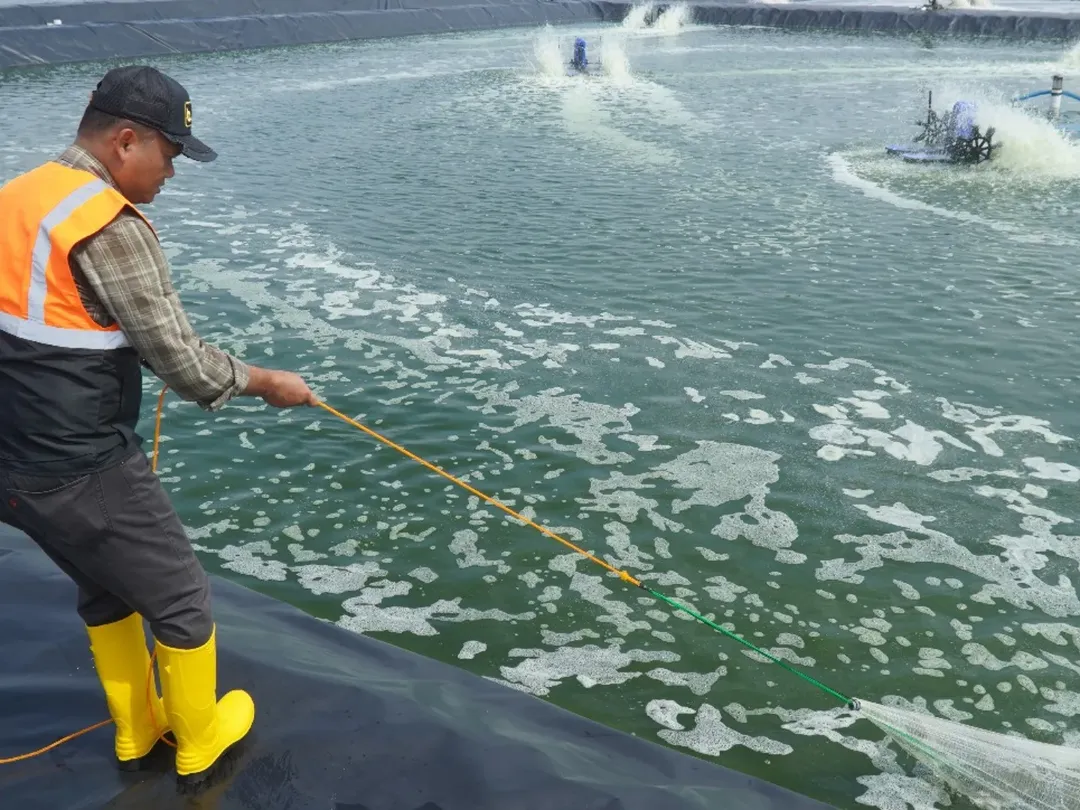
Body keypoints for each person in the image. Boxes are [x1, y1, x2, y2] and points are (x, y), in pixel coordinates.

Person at [0, 65, 317, 786]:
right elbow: (189, 367)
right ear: (125, 140)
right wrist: (270, 384)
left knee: (103, 588)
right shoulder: (106, 222)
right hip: (81, 465)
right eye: (170, 155)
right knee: (181, 598)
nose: (172, 173)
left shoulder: (17, 198)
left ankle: (136, 731)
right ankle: (200, 740)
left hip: (14, 462)